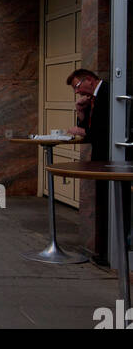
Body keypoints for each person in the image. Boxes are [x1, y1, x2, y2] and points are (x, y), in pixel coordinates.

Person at [67, 67, 110, 263]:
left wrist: (82, 132)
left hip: (110, 158)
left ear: (90, 80)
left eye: (77, 86)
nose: (77, 92)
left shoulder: (108, 94)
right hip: (100, 158)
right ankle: (103, 251)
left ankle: (110, 252)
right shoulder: (92, 99)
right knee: (102, 200)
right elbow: (87, 127)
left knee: (111, 202)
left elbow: (104, 130)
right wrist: (80, 110)